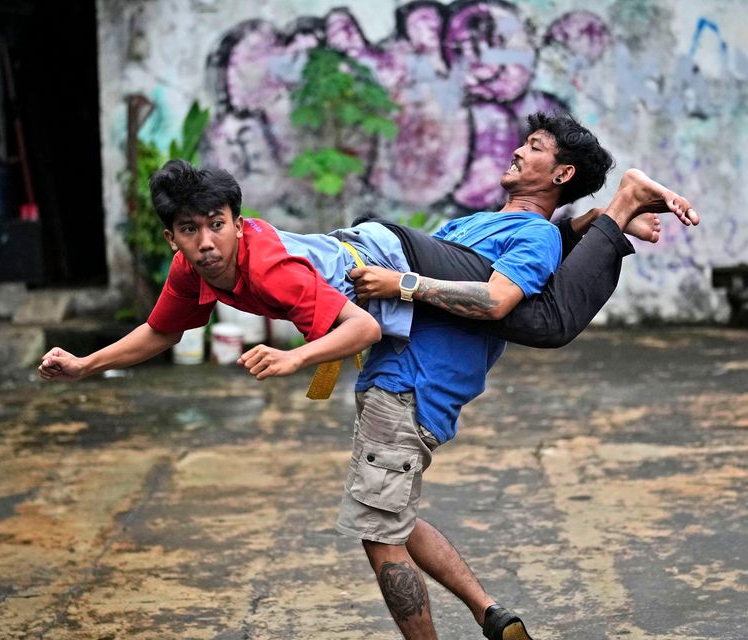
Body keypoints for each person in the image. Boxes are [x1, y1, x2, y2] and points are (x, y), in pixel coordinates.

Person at [38, 113, 698, 639]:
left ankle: (621, 206)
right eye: (191, 229)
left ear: (236, 223)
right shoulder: (492, 224)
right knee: (393, 514)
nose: (206, 241)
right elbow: (161, 329)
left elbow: (482, 299)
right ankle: (490, 612)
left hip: (410, 377)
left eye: (215, 226)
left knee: (379, 528)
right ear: (176, 236)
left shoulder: (274, 266)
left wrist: (318, 342)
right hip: (402, 351)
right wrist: (86, 363)